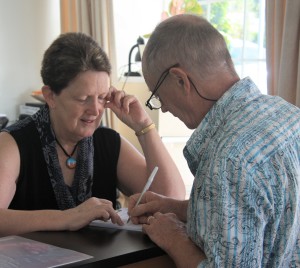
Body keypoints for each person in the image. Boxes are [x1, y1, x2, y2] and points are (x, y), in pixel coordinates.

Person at [128, 14, 300, 267]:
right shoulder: (289, 116)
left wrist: (174, 238)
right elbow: (264, 216)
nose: (163, 108)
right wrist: (178, 208)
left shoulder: (228, 160)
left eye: (157, 95)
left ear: (180, 80)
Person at [0, 32, 186, 237]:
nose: (95, 109)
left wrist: (144, 126)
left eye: (102, 97)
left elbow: (171, 199)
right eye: (83, 98)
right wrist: (68, 217)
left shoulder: (107, 142)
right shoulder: (13, 144)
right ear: (50, 96)